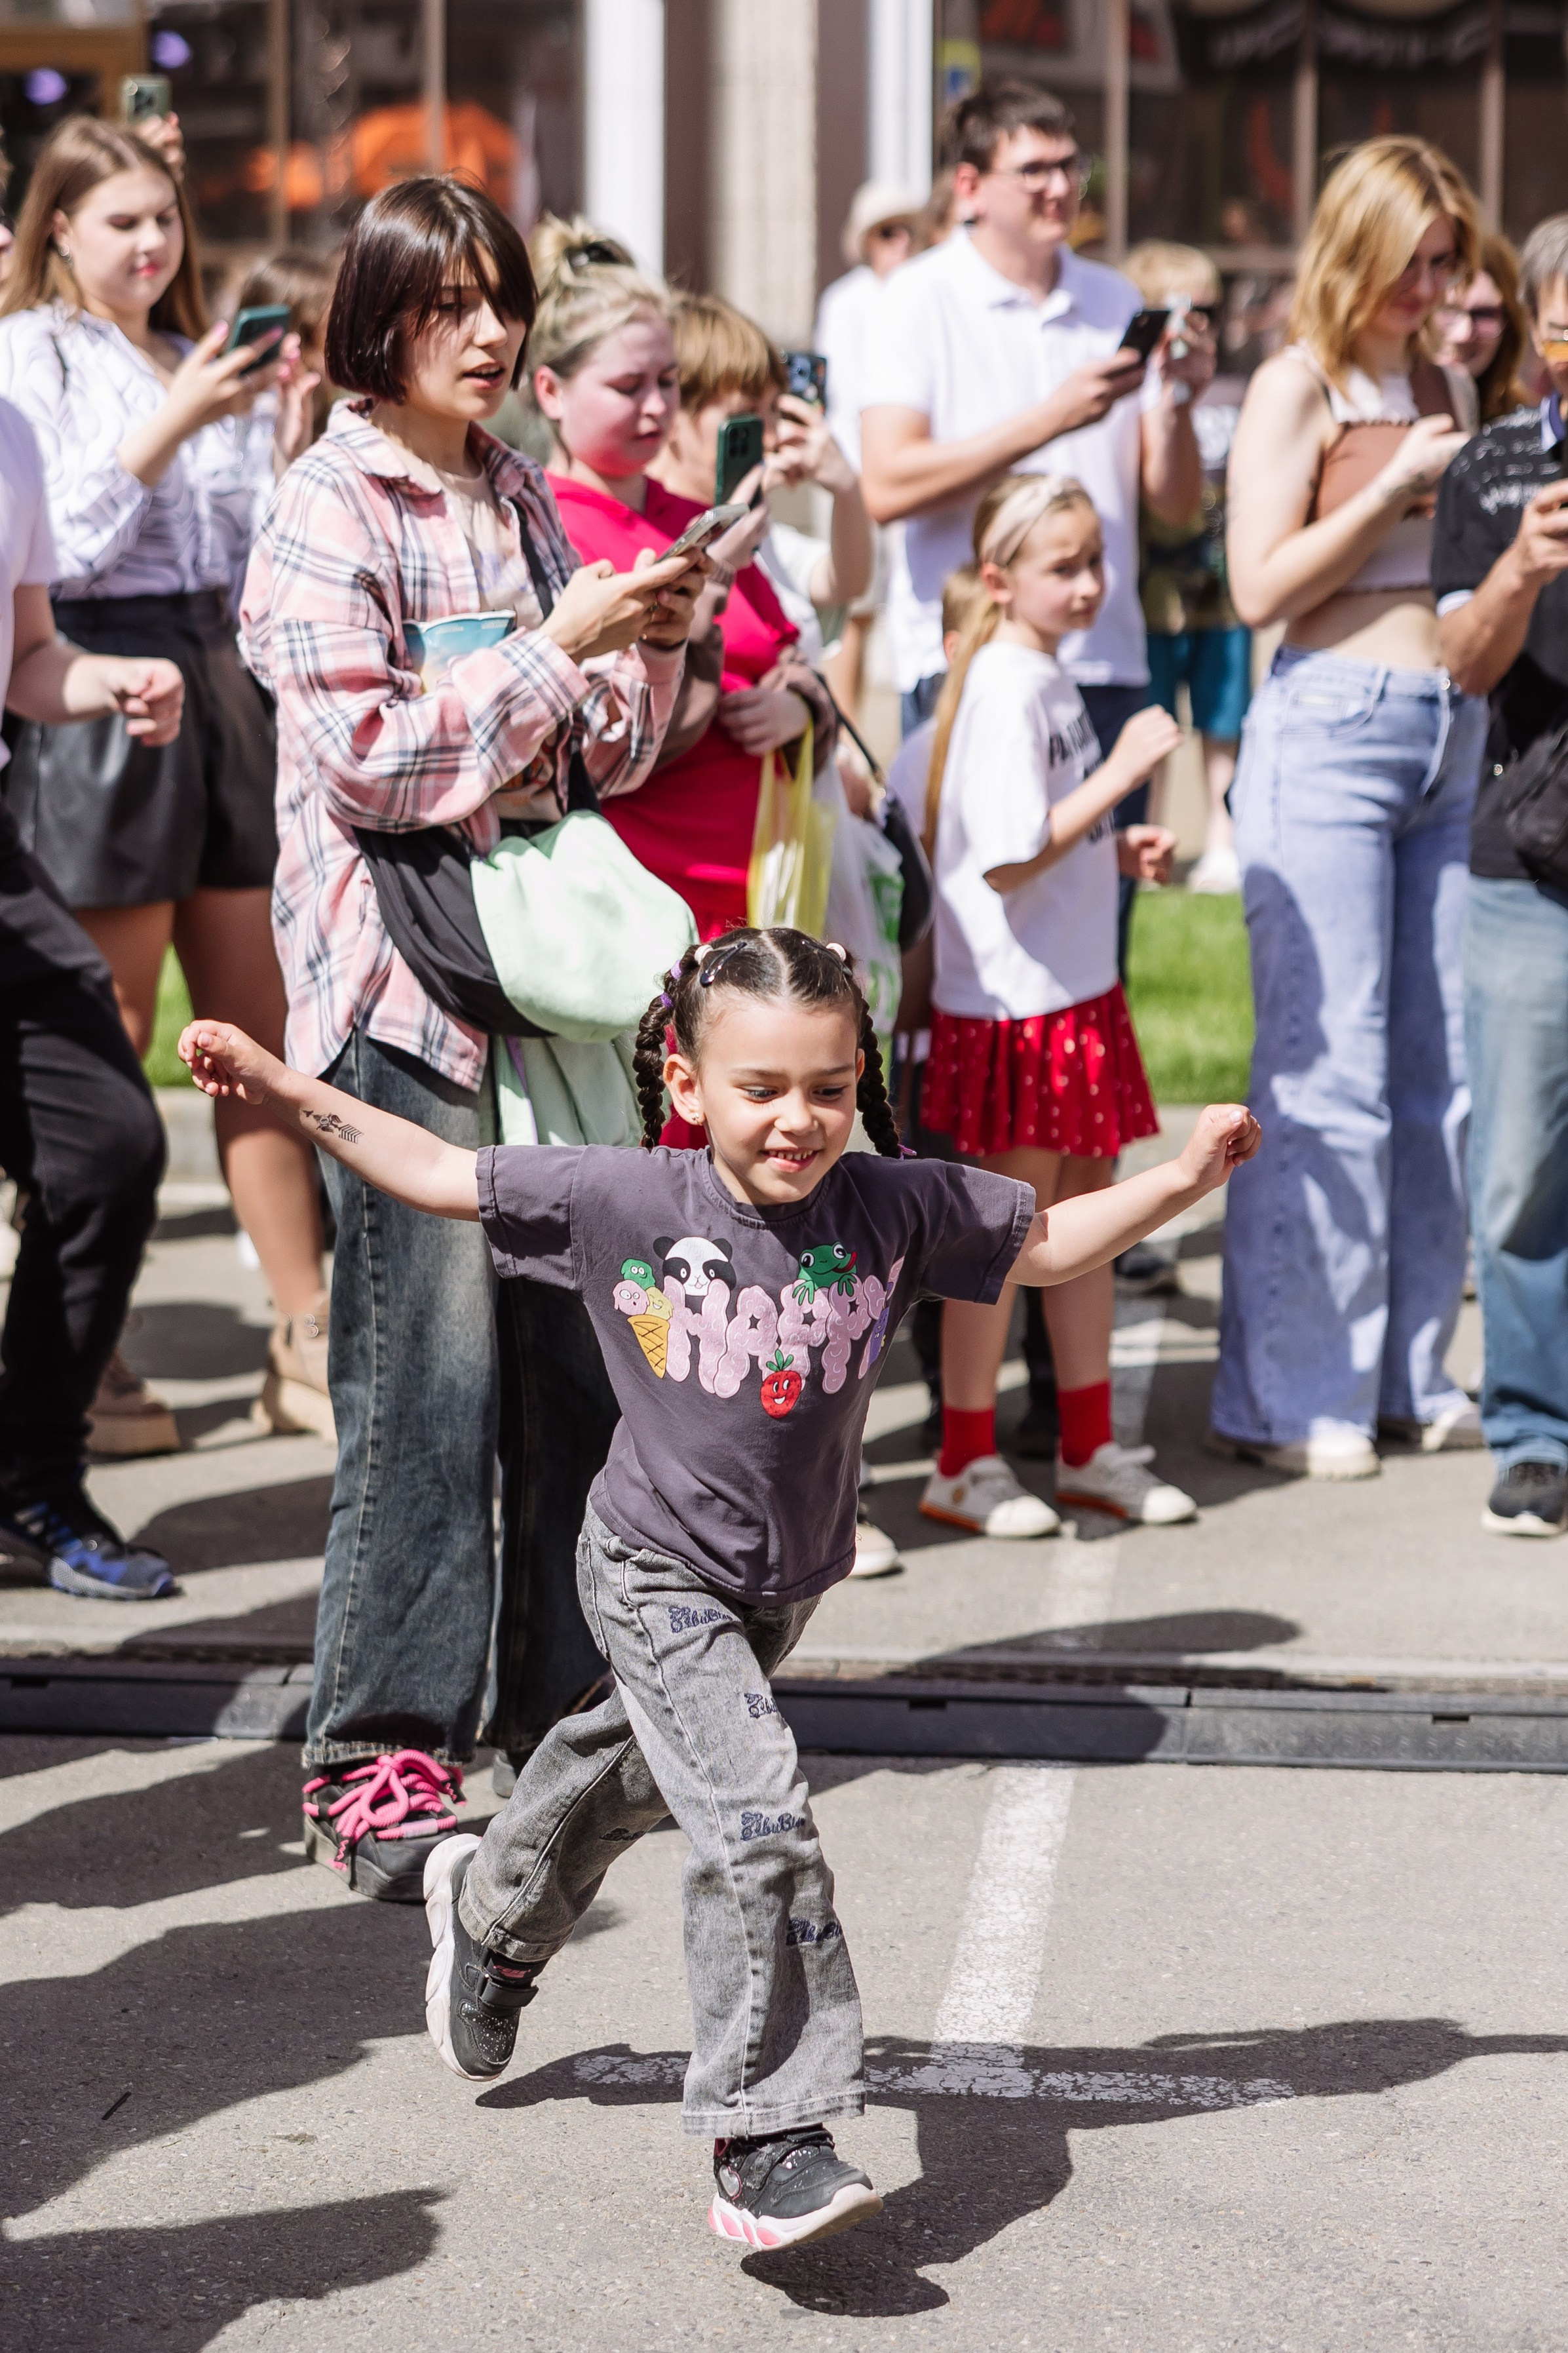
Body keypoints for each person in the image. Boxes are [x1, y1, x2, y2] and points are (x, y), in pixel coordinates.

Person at [177, 935, 1261, 2247]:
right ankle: (766, 2132)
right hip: (645, 1566)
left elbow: (1045, 1244)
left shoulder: (890, 1204)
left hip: (778, 1581)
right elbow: (431, 1169)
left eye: (823, 1086)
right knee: (757, 1821)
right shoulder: (629, 1197)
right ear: (686, 1083)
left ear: (855, 1078)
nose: (794, 1119)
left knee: (616, 1770)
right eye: (758, 1088)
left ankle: (492, 1920)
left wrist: (1184, 1175)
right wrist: (278, 1083)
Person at [240, 175, 701, 1896]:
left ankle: (558, 1723)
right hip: (397, 997)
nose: (492, 334)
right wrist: (549, 657)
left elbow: (589, 752)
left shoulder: (516, 490)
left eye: (502, 301)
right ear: (381, 318)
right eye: (451, 305)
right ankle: (378, 1754)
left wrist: (628, 648)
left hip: (533, 984)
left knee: (565, 1379)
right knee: (422, 1398)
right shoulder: (325, 503)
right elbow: (370, 760)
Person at [0, 116, 332, 1450]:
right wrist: (176, 420)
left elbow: (251, 546)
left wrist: (279, 431)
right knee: (109, 1030)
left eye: (164, 219)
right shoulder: (34, 354)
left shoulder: (190, 349)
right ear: (59, 229)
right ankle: (91, 1342)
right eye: (119, 220)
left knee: (252, 1029)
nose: (149, 243)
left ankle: (301, 1329)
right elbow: (55, 548)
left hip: (218, 670)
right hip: (94, 670)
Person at [1215, 136, 1487, 1481]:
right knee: (1326, 1076)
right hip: (1325, 725)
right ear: (1356, 249)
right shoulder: (1294, 380)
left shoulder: (1440, 370)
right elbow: (1254, 586)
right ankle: (1294, 1391)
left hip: (1448, 723)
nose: (1431, 286)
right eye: (1413, 261)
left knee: (1437, 1080)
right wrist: (1384, 486)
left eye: (1446, 262)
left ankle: (1405, 1367)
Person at [918, 472, 1190, 1535]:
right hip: (1015, 1007)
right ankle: (961, 1459)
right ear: (1000, 578)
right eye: (1062, 566)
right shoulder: (1004, 682)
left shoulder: (1036, 674)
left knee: (1086, 1221)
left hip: (1068, 992)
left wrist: (1110, 850)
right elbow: (1000, 857)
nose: (1088, 585)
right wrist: (1120, 776)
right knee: (1006, 1239)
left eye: (1093, 563)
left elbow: (1040, 838)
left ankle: (1087, 1447)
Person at [858, 78, 1213, 795]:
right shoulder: (916, 298)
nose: (1059, 188)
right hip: (968, 652)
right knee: (971, 899)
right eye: (1033, 171)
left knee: (1101, 898)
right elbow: (887, 485)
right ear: (970, 186)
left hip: (1104, 655)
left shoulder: (1113, 298)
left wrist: (1178, 400)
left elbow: (1172, 506)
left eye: (1069, 167)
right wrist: (1050, 419)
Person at [0, 385, 185, 1597]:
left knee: (108, 1148)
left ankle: (30, 1481)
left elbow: (24, 657)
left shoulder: (10, 431)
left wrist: (105, 676)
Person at [530, 248, 834, 944]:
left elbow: (791, 647)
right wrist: (713, 583)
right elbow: (604, 745)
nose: (657, 406)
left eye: (668, 381)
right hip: (645, 891)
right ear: (551, 391)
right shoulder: (544, 526)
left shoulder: (692, 511)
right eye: (628, 385)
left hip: (761, 877)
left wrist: (797, 703)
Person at [1434, 214, 1568, 1538]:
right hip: (1525, 861)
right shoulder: (1491, 470)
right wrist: (1520, 569)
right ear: (1535, 331)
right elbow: (1462, 663)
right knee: (1520, 1165)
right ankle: (1529, 1429)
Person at [1124, 240, 1250, 896]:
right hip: (1150, 589)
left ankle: (1221, 840)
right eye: (1178, 310)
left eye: (1205, 309)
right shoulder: (1131, 398)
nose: (1194, 324)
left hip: (1220, 587)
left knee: (1223, 717)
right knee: (1151, 718)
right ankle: (1148, 838)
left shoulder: (1235, 390)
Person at [1431, 232, 1531, 425]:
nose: (1464, 333)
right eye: (1448, 310)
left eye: (1484, 314)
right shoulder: (1383, 412)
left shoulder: (1524, 425)